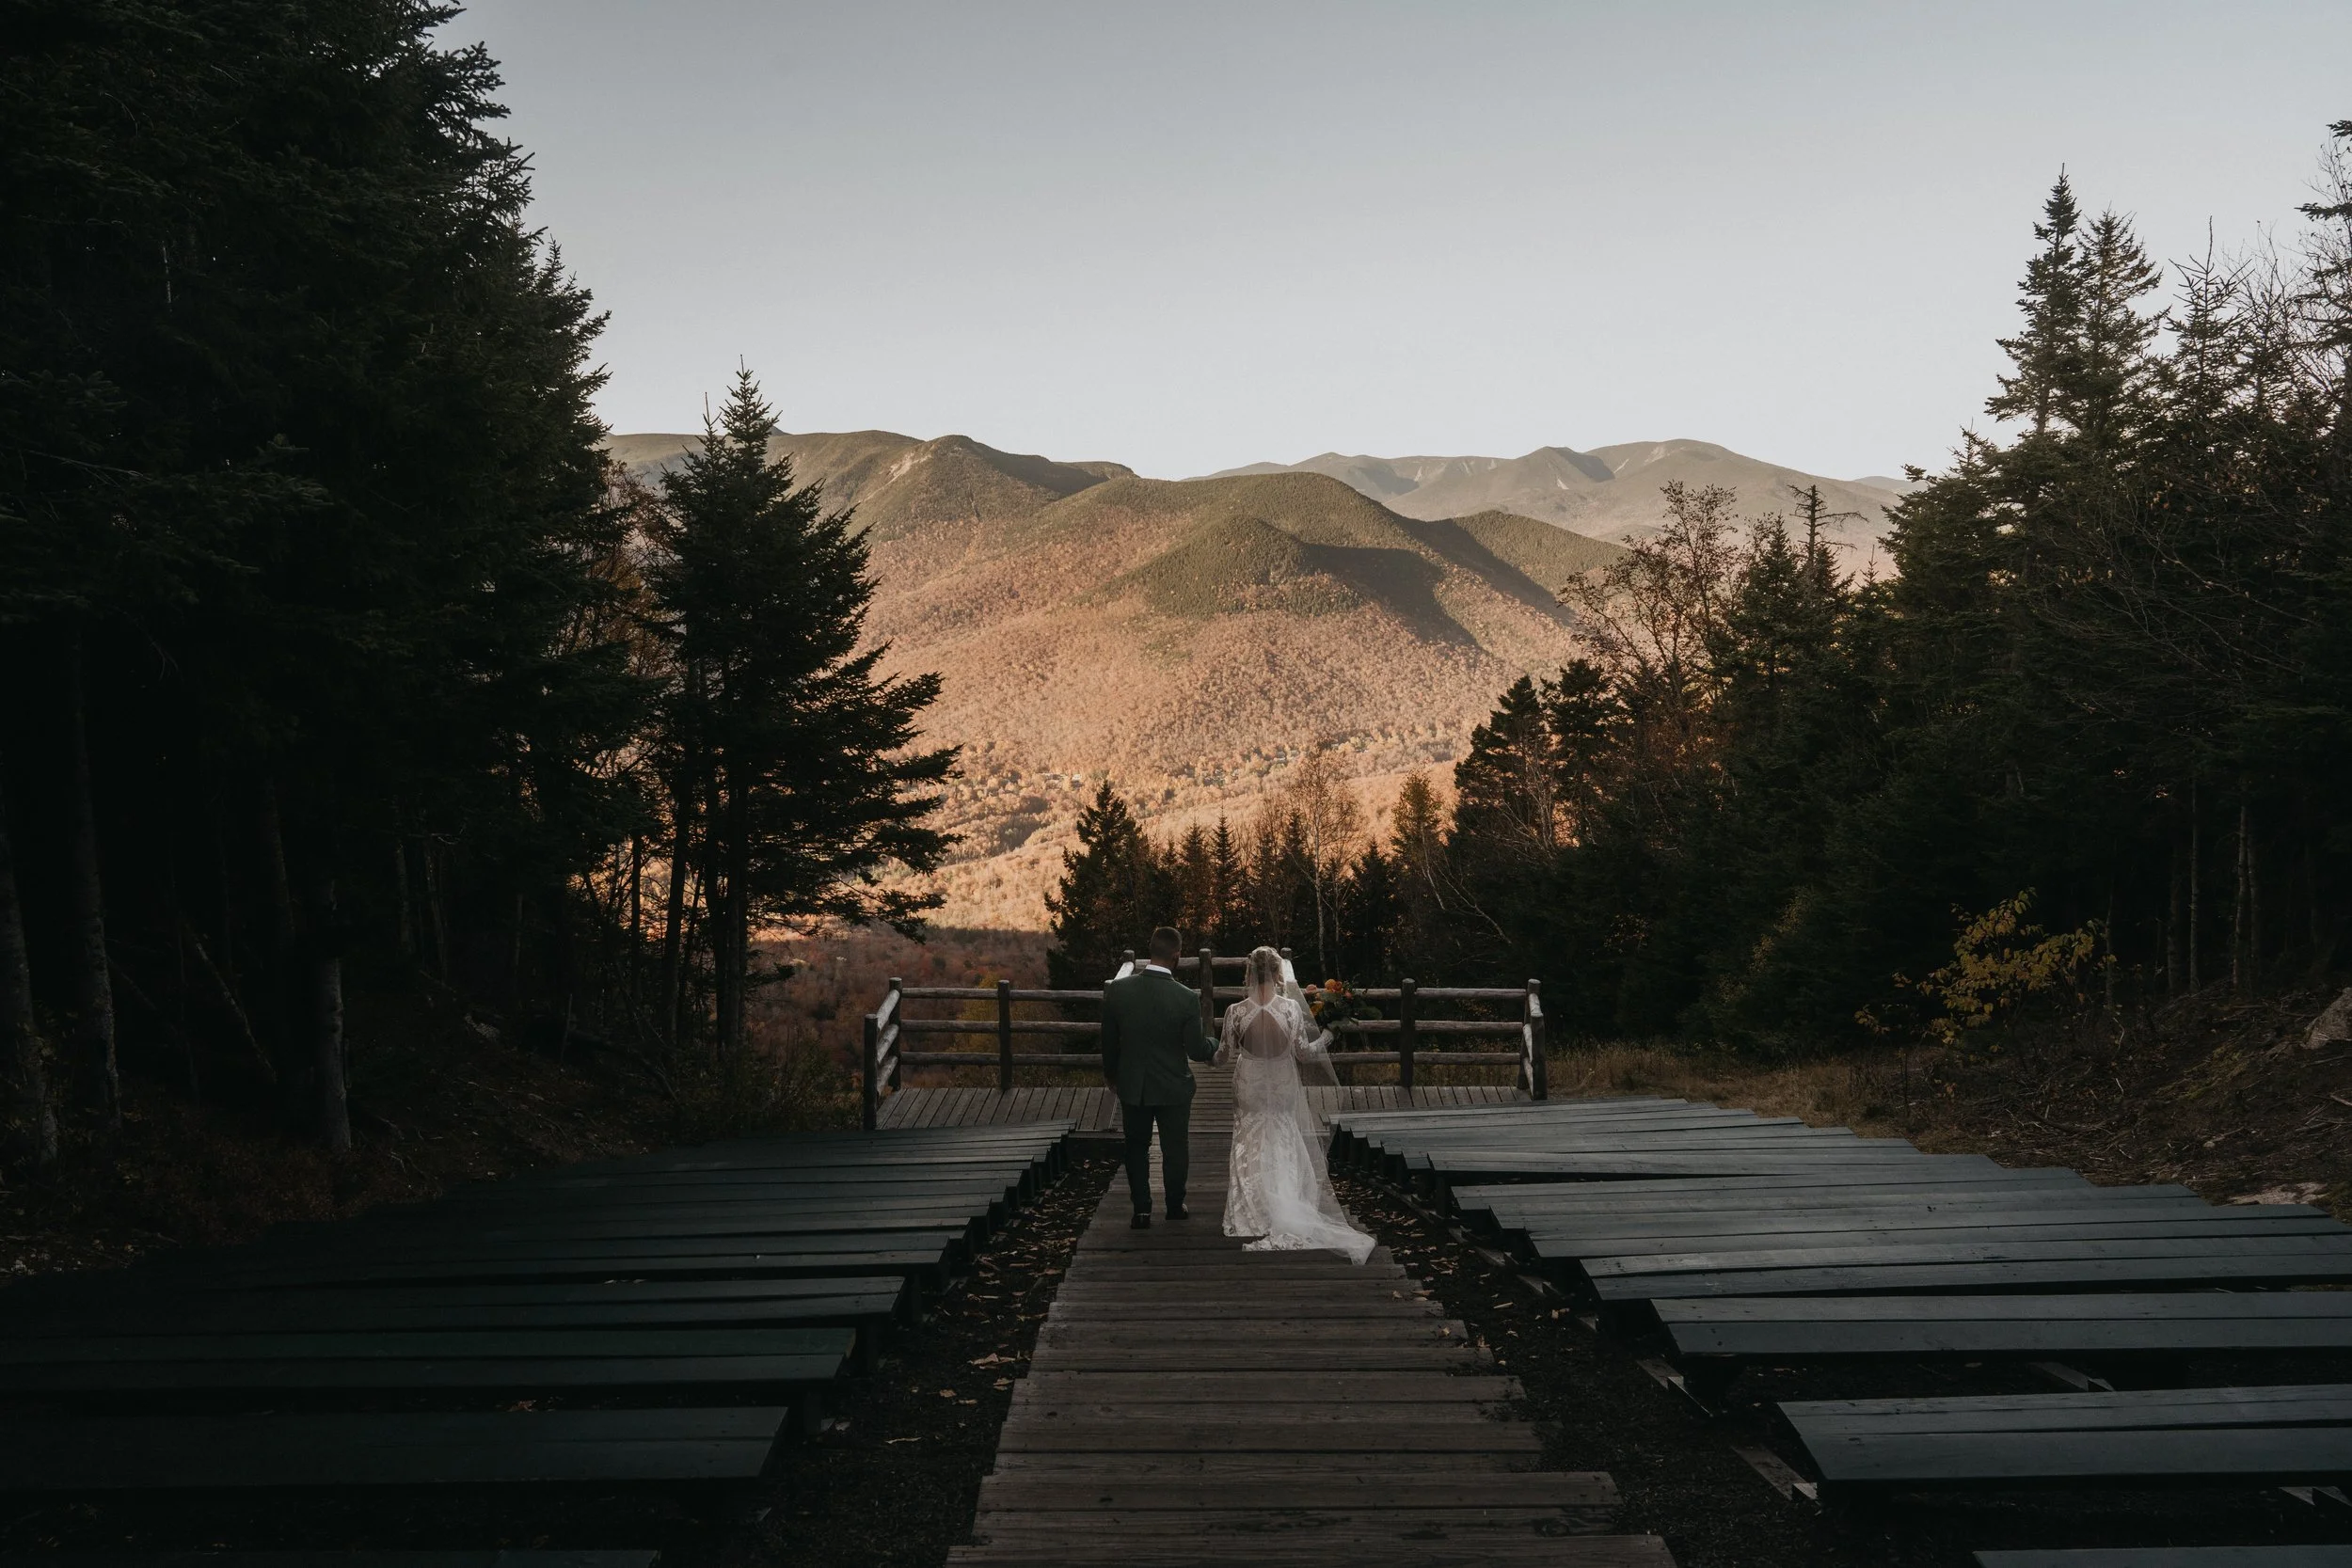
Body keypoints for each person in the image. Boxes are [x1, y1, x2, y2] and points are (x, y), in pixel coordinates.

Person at [1214, 945, 1375, 1262]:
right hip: (1283, 1081)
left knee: (1249, 1139)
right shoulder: (1289, 1010)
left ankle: (1251, 1210)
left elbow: (1223, 1054)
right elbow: (1303, 1053)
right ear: (1276, 974)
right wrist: (1329, 1034)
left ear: (1249, 973)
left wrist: (1203, 1052)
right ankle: (1285, 1205)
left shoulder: (1235, 1011)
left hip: (1249, 1082)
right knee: (1282, 1137)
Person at [1098, 926, 1216, 1229]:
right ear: (1176, 956)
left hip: (1133, 1085)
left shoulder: (1119, 992)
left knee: (1135, 1148)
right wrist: (1216, 1045)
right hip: (1173, 1086)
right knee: (1175, 1149)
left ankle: (1141, 1210)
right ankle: (1175, 1206)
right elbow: (1197, 1048)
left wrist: (1112, 1076)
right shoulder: (1186, 999)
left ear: (1150, 949)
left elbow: (1109, 1042)